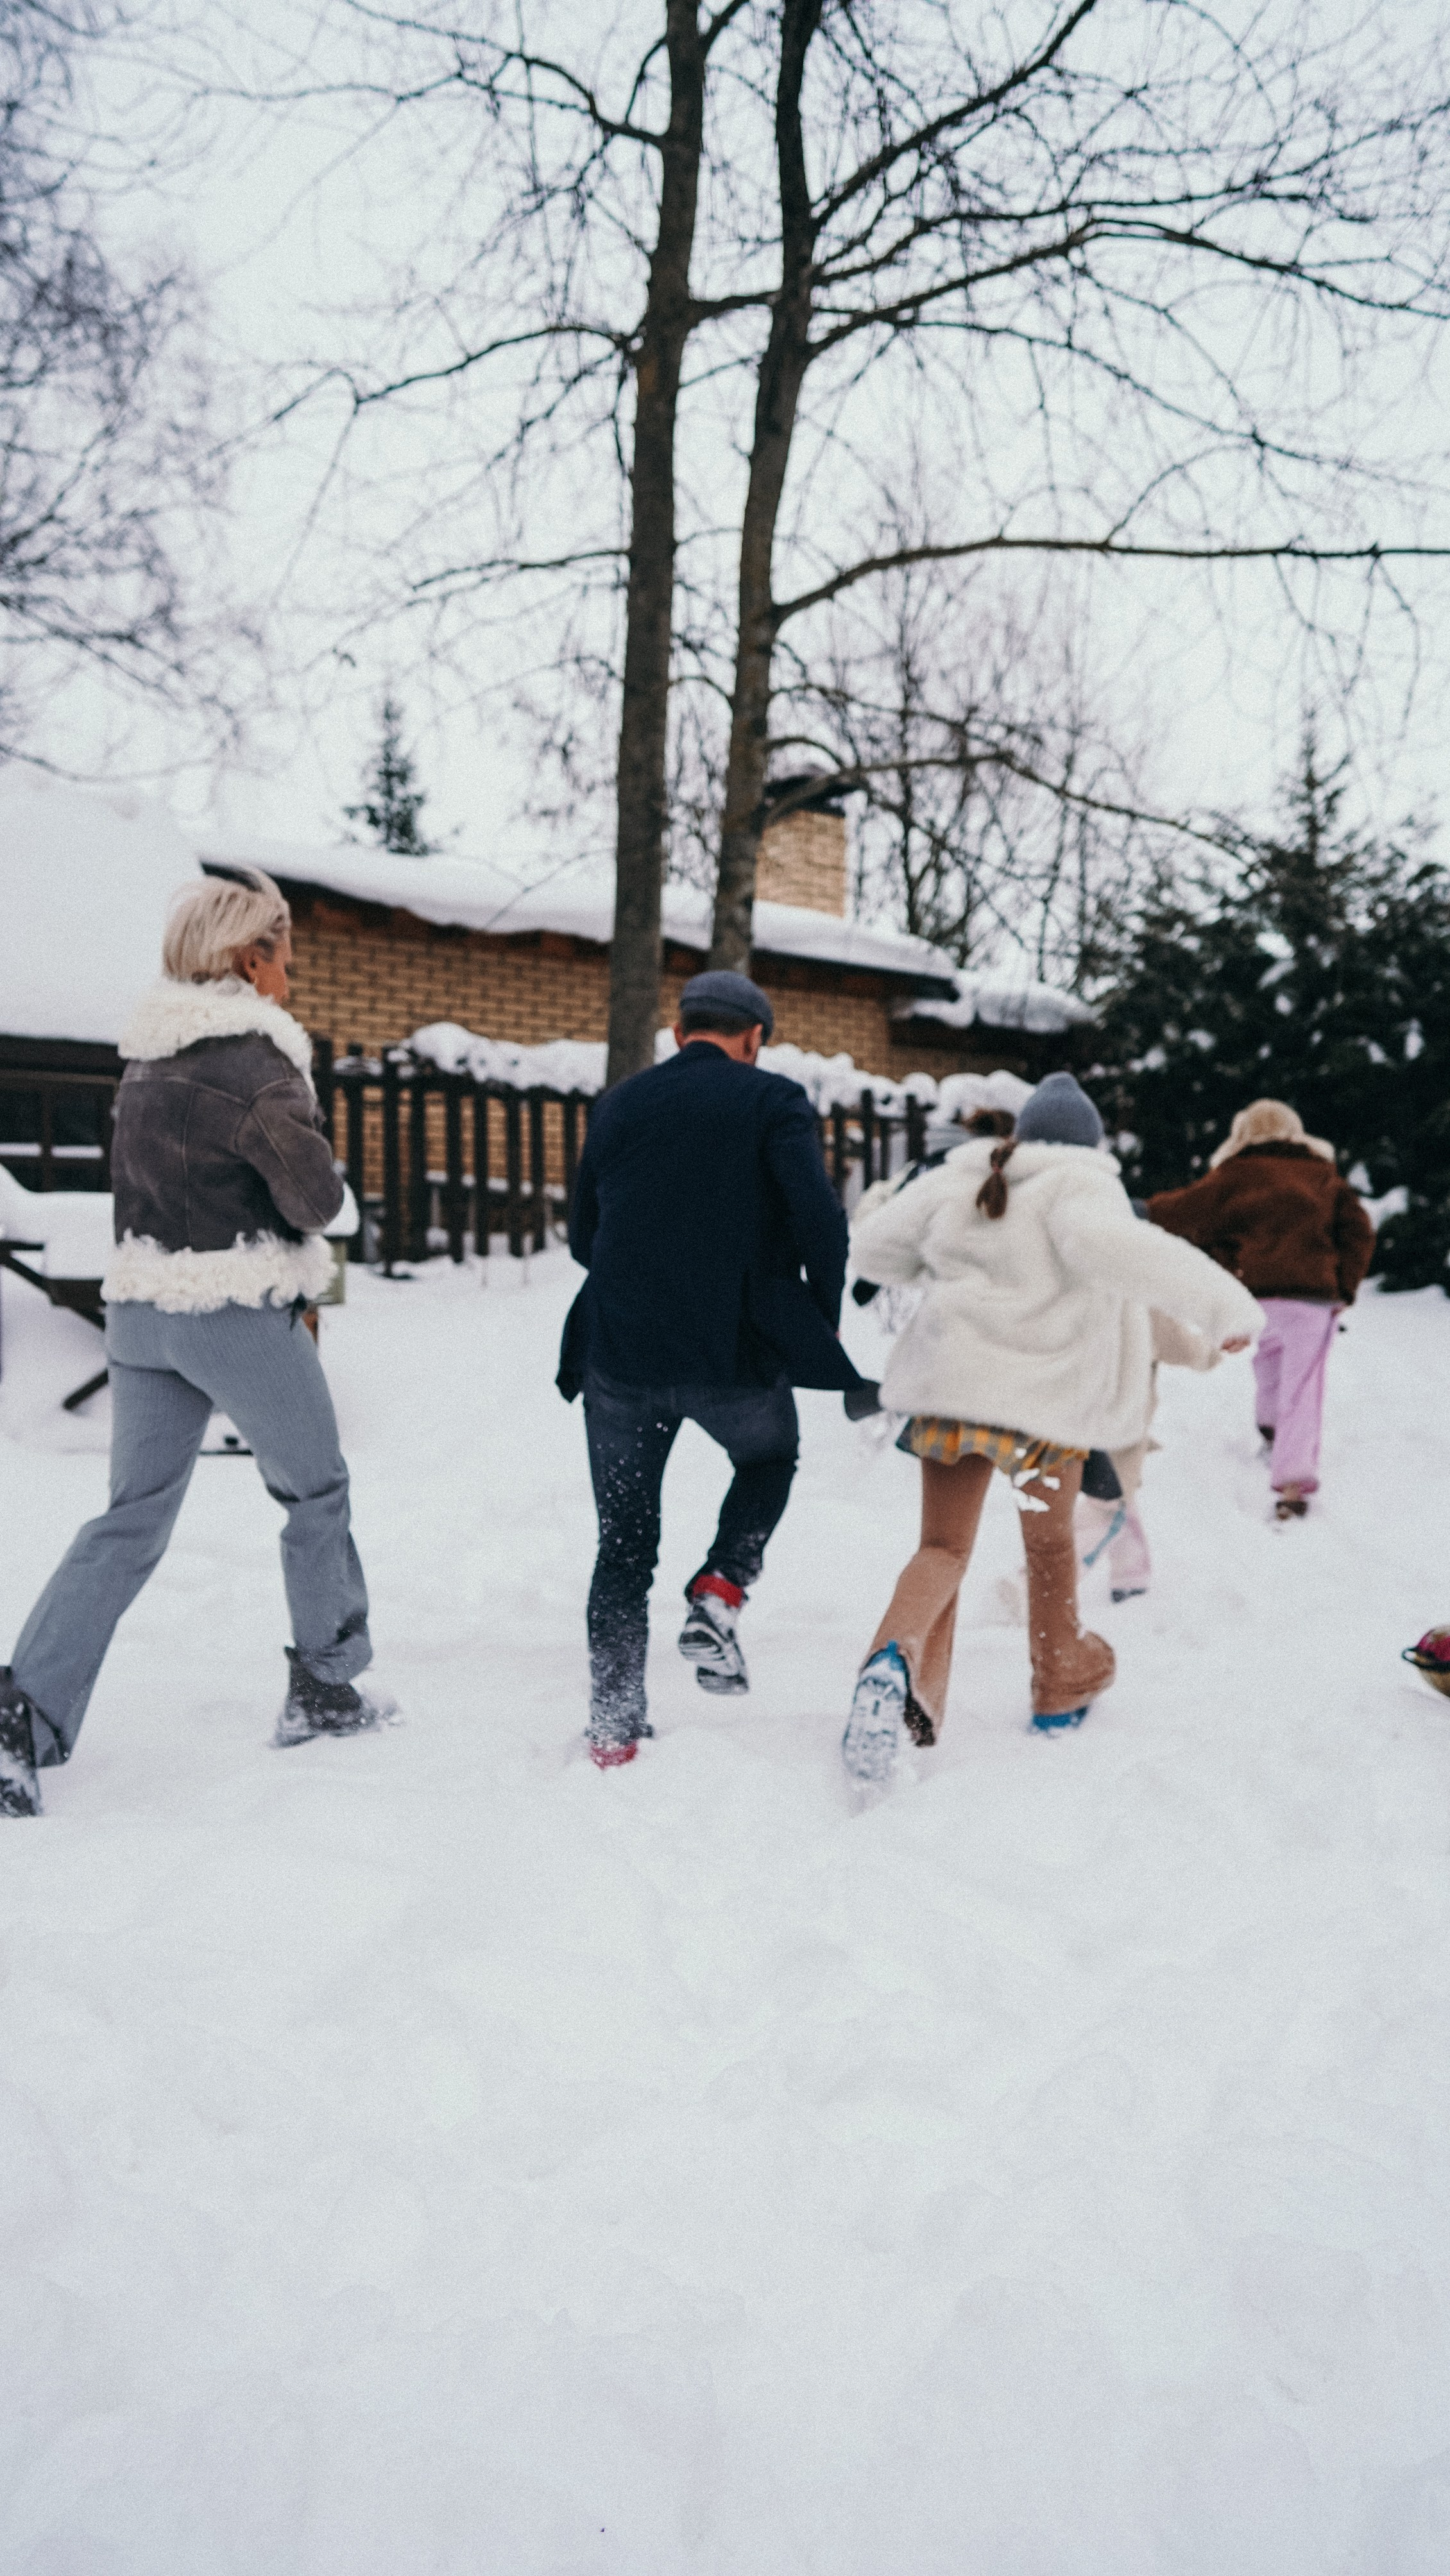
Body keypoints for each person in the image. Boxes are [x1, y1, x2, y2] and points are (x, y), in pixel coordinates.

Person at [0, 867, 390, 1820]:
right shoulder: (258, 1066)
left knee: (129, 1520)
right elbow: (318, 1203)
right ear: (249, 958)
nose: (290, 976)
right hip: (230, 1311)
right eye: (286, 957)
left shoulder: (147, 1061)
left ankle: (20, 1719)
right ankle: (326, 1687)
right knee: (315, 1489)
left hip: (139, 1316)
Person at [841, 1071, 1259, 1785]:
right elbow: (1132, 1253)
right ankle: (1058, 1685)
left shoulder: (963, 1178)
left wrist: (942, 1253)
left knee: (941, 1548)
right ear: (1088, 1143)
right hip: (1041, 1418)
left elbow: (876, 1250)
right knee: (1050, 1549)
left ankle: (891, 1661)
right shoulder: (1080, 1186)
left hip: (949, 1399)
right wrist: (1226, 1308)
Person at [559, 968, 863, 1768]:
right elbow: (820, 1222)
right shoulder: (771, 1100)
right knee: (768, 1456)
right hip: (730, 1354)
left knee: (623, 1543)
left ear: (679, 1030)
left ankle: (613, 1731)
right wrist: (817, 1310)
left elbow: (583, 1237)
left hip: (619, 1355)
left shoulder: (620, 1102)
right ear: (754, 1037)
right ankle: (723, 1584)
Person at [1146, 1098, 1374, 1521]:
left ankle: (1272, 1432)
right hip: (1310, 1299)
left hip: (1255, 1298)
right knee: (1302, 1388)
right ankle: (1292, 1486)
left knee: (1268, 1363)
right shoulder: (1322, 1175)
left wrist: (1139, 1212)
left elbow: (1186, 1209)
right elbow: (1358, 1231)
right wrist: (1344, 1289)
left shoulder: (1235, 1174)